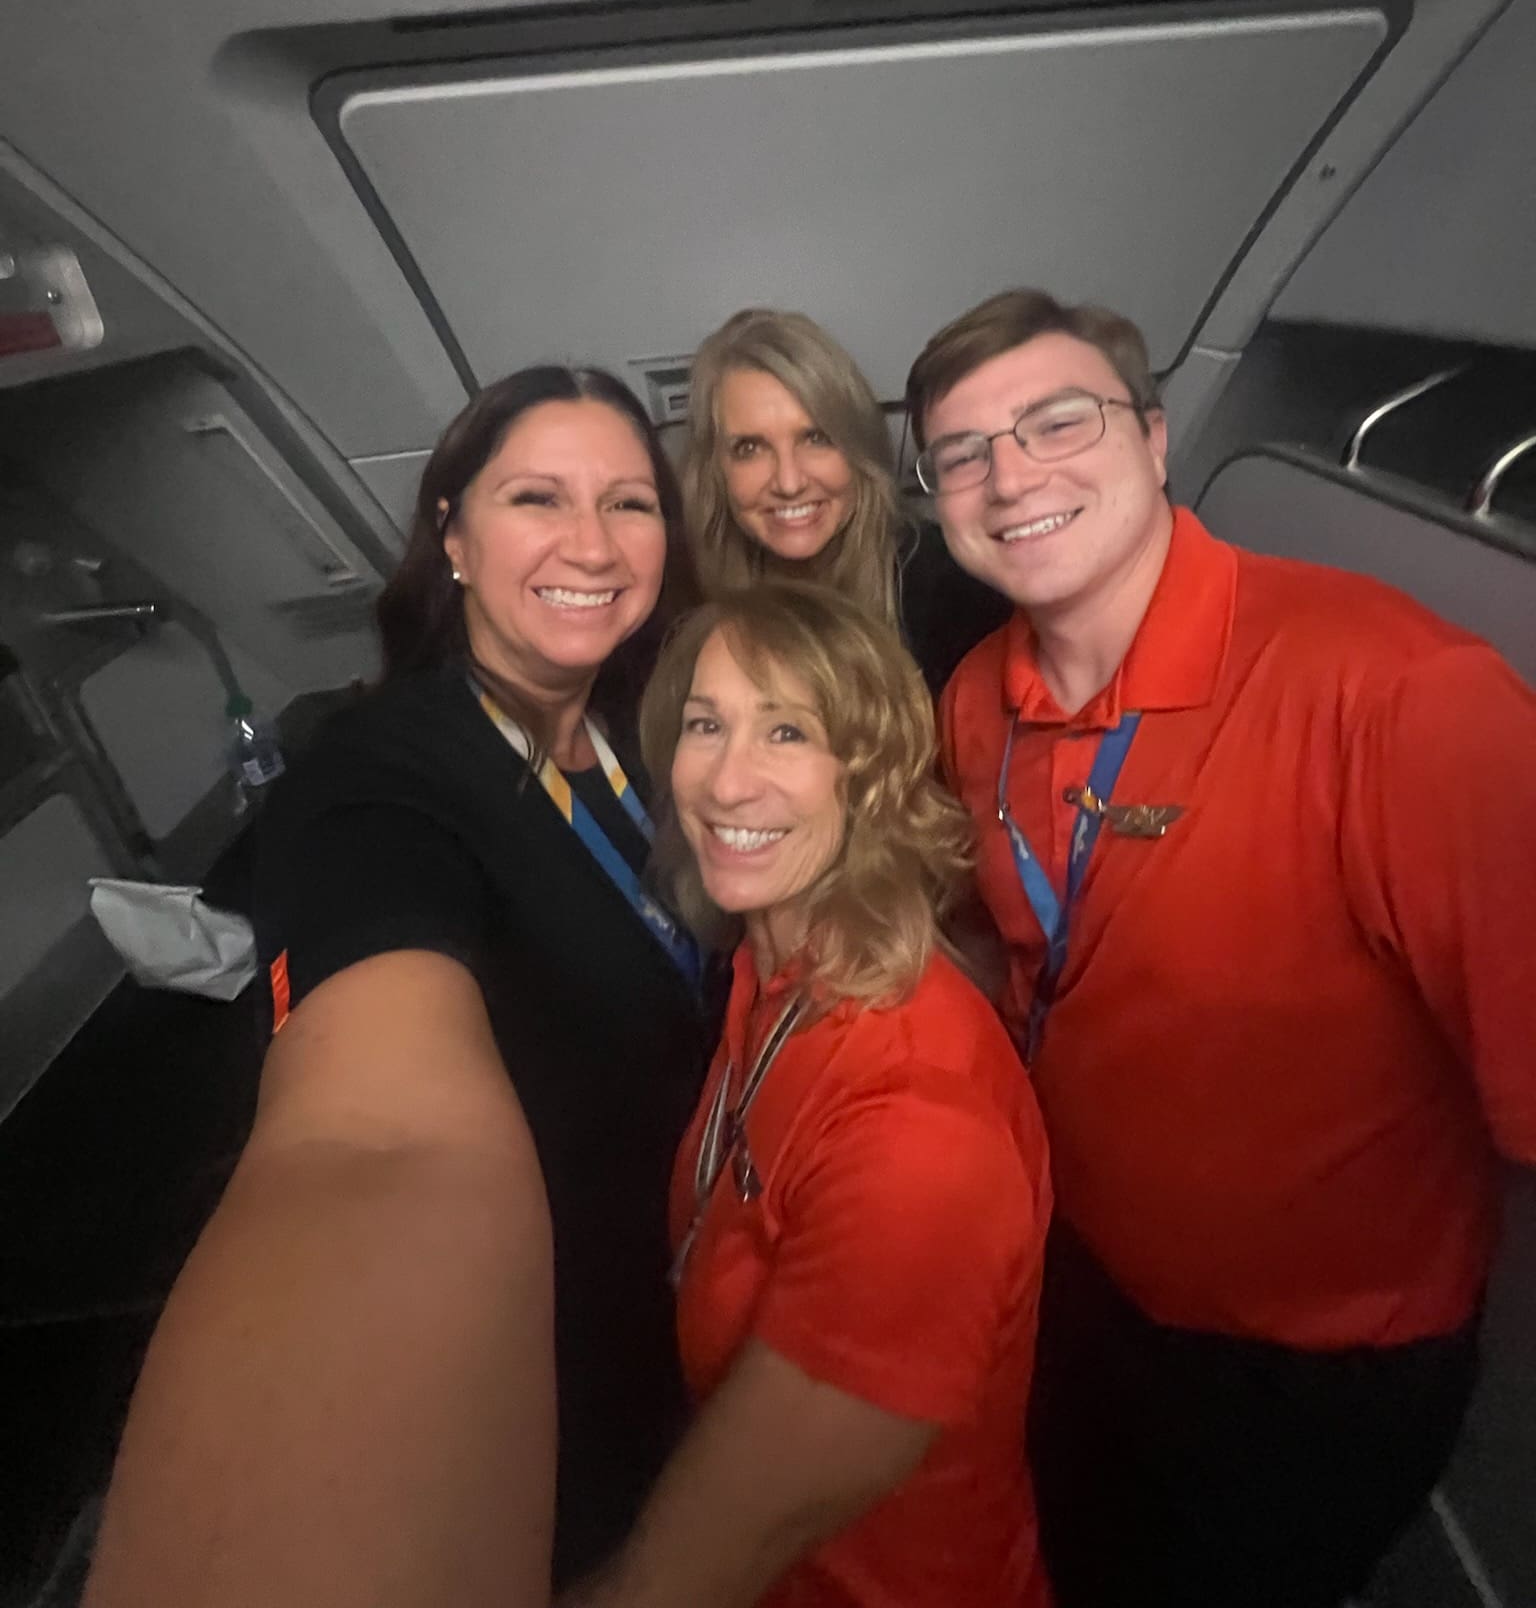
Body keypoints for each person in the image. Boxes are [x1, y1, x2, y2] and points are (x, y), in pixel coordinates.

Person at [905, 287, 1536, 1608]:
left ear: (1155, 438)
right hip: (1088, 1278)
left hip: (1314, 1370)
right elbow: (1038, 951)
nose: (1009, 475)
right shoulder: (980, 702)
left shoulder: (1404, 700)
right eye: (962, 453)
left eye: (1054, 421)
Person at [85, 365, 711, 1605]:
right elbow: (375, 1136)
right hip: (543, 1382)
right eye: (538, 495)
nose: (593, 541)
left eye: (631, 503)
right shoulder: (377, 777)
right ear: (454, 534)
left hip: (689, 1312)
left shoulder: (650, 727)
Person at [572, 582, 1053, 1608]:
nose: (727, 779)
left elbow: (668, 1585)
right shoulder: (773, 969)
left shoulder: (917, 1131)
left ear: (868, 776)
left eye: (787, 729)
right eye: (706, 724)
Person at [682, 308, 1006, 691]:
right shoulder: (683, 600)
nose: (789, 482)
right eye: (750, 448)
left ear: (857, 447)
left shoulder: (948, 591)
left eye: (816, 438)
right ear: (714, 469)